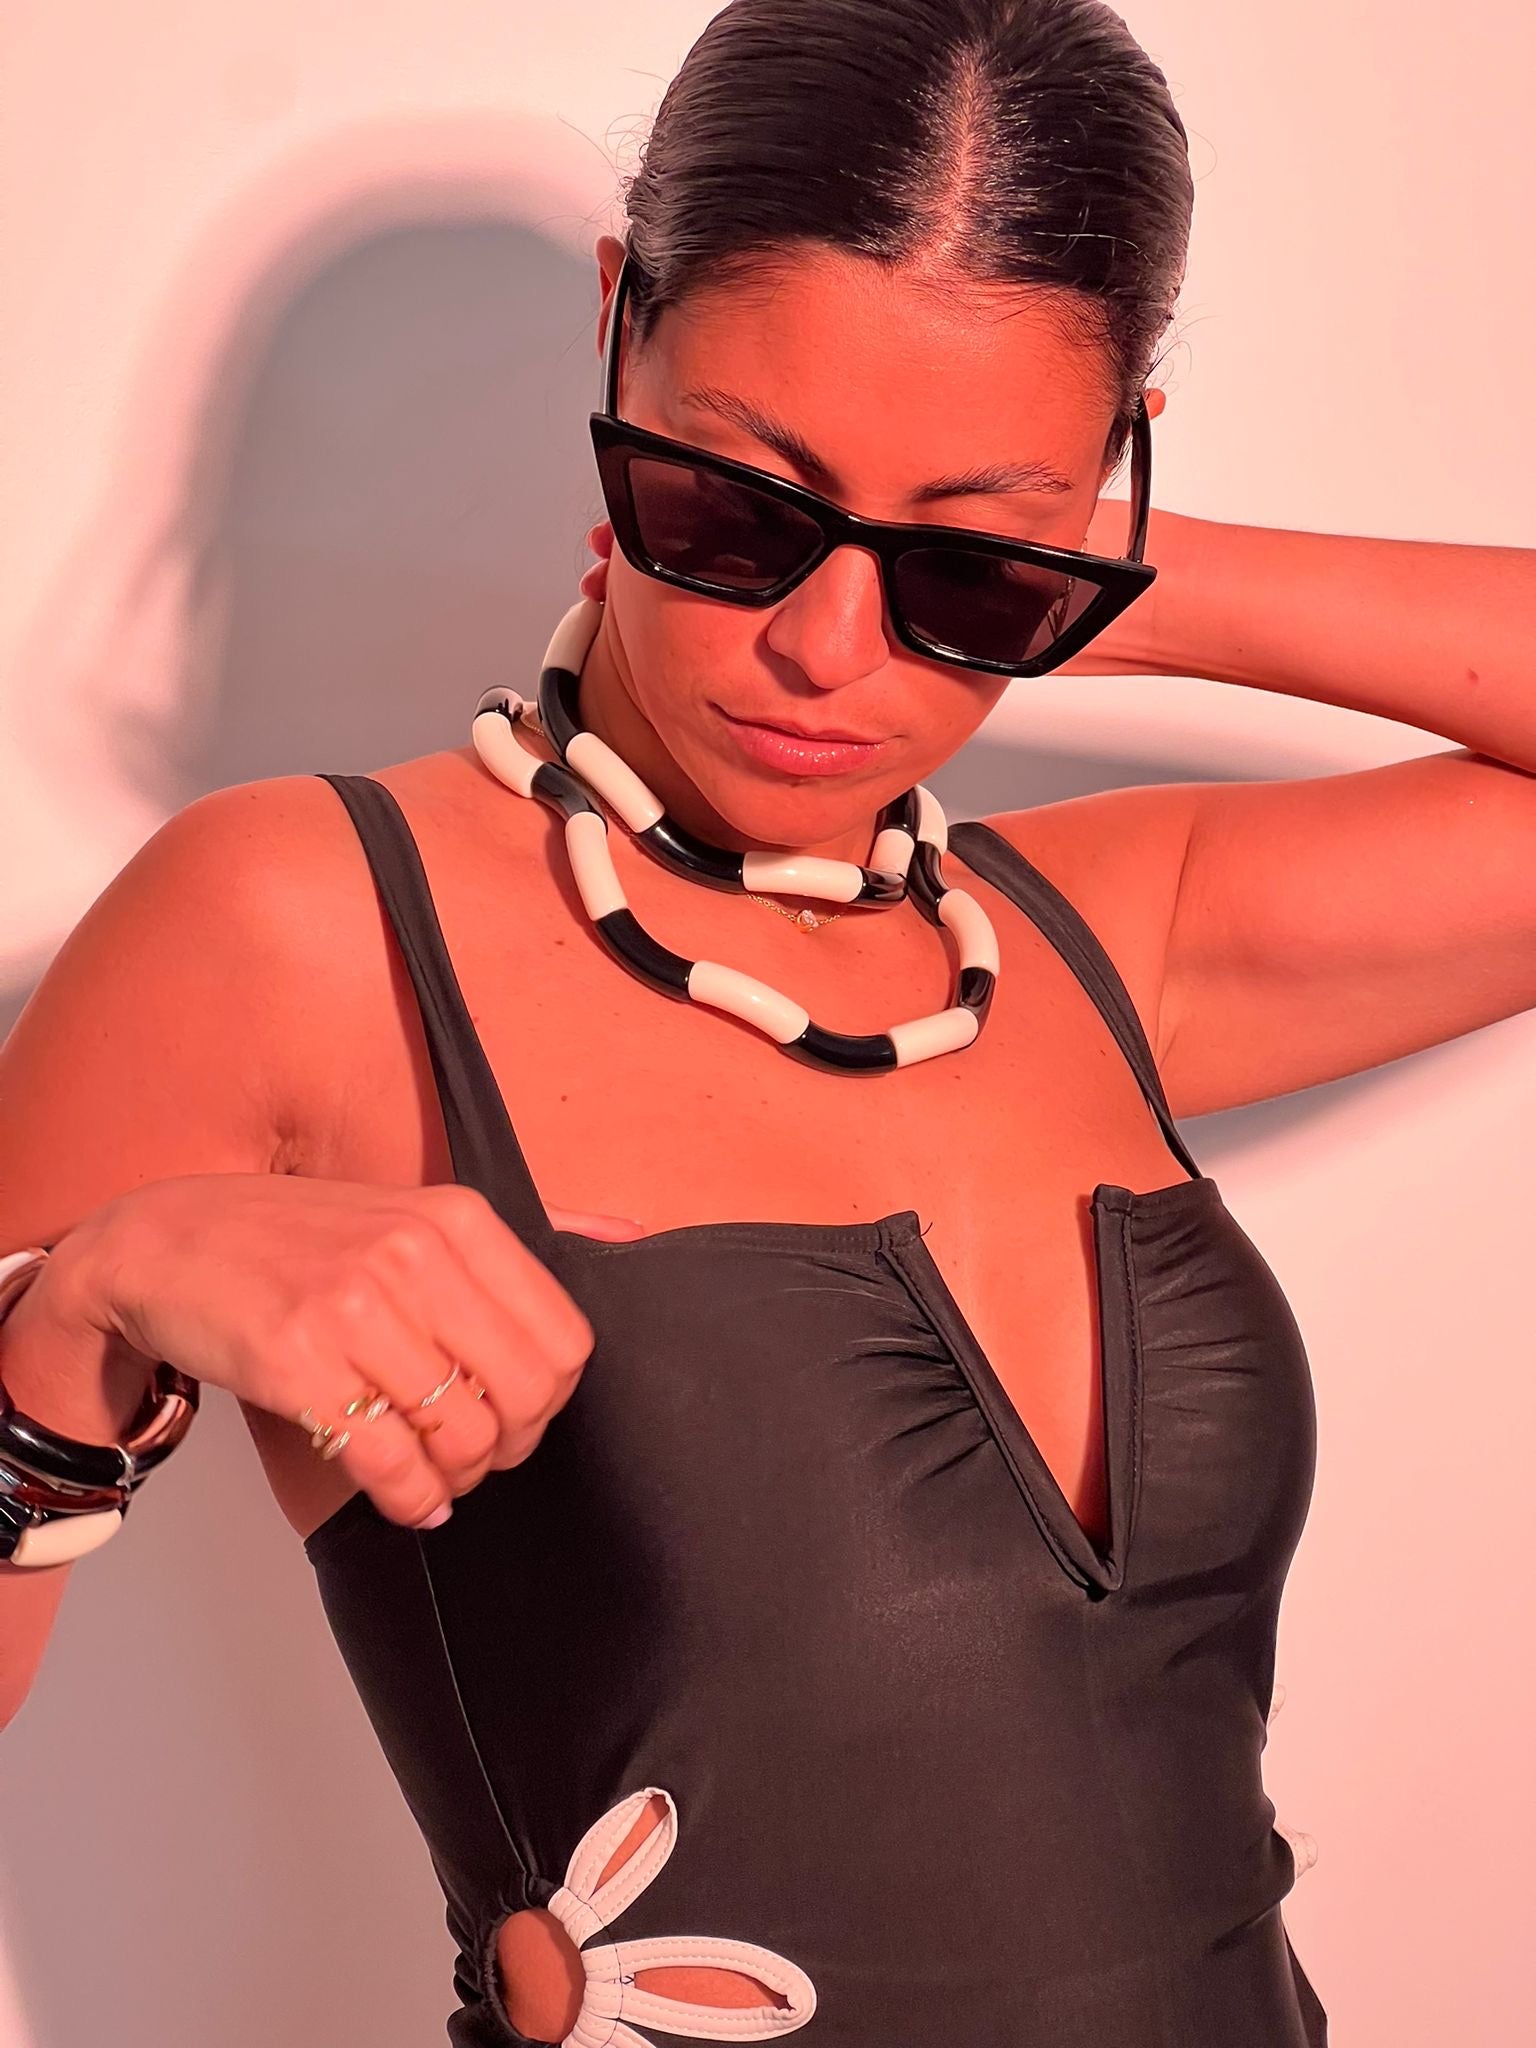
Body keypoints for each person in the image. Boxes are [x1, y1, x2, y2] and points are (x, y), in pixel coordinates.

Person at [2, 1, 1533, 2042]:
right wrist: (71, 1322)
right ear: (617, 331)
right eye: (737, 504)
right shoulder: (302, 924)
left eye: (963, 563)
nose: (825, 647)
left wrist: (1086, 564)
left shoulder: (1094, 942)